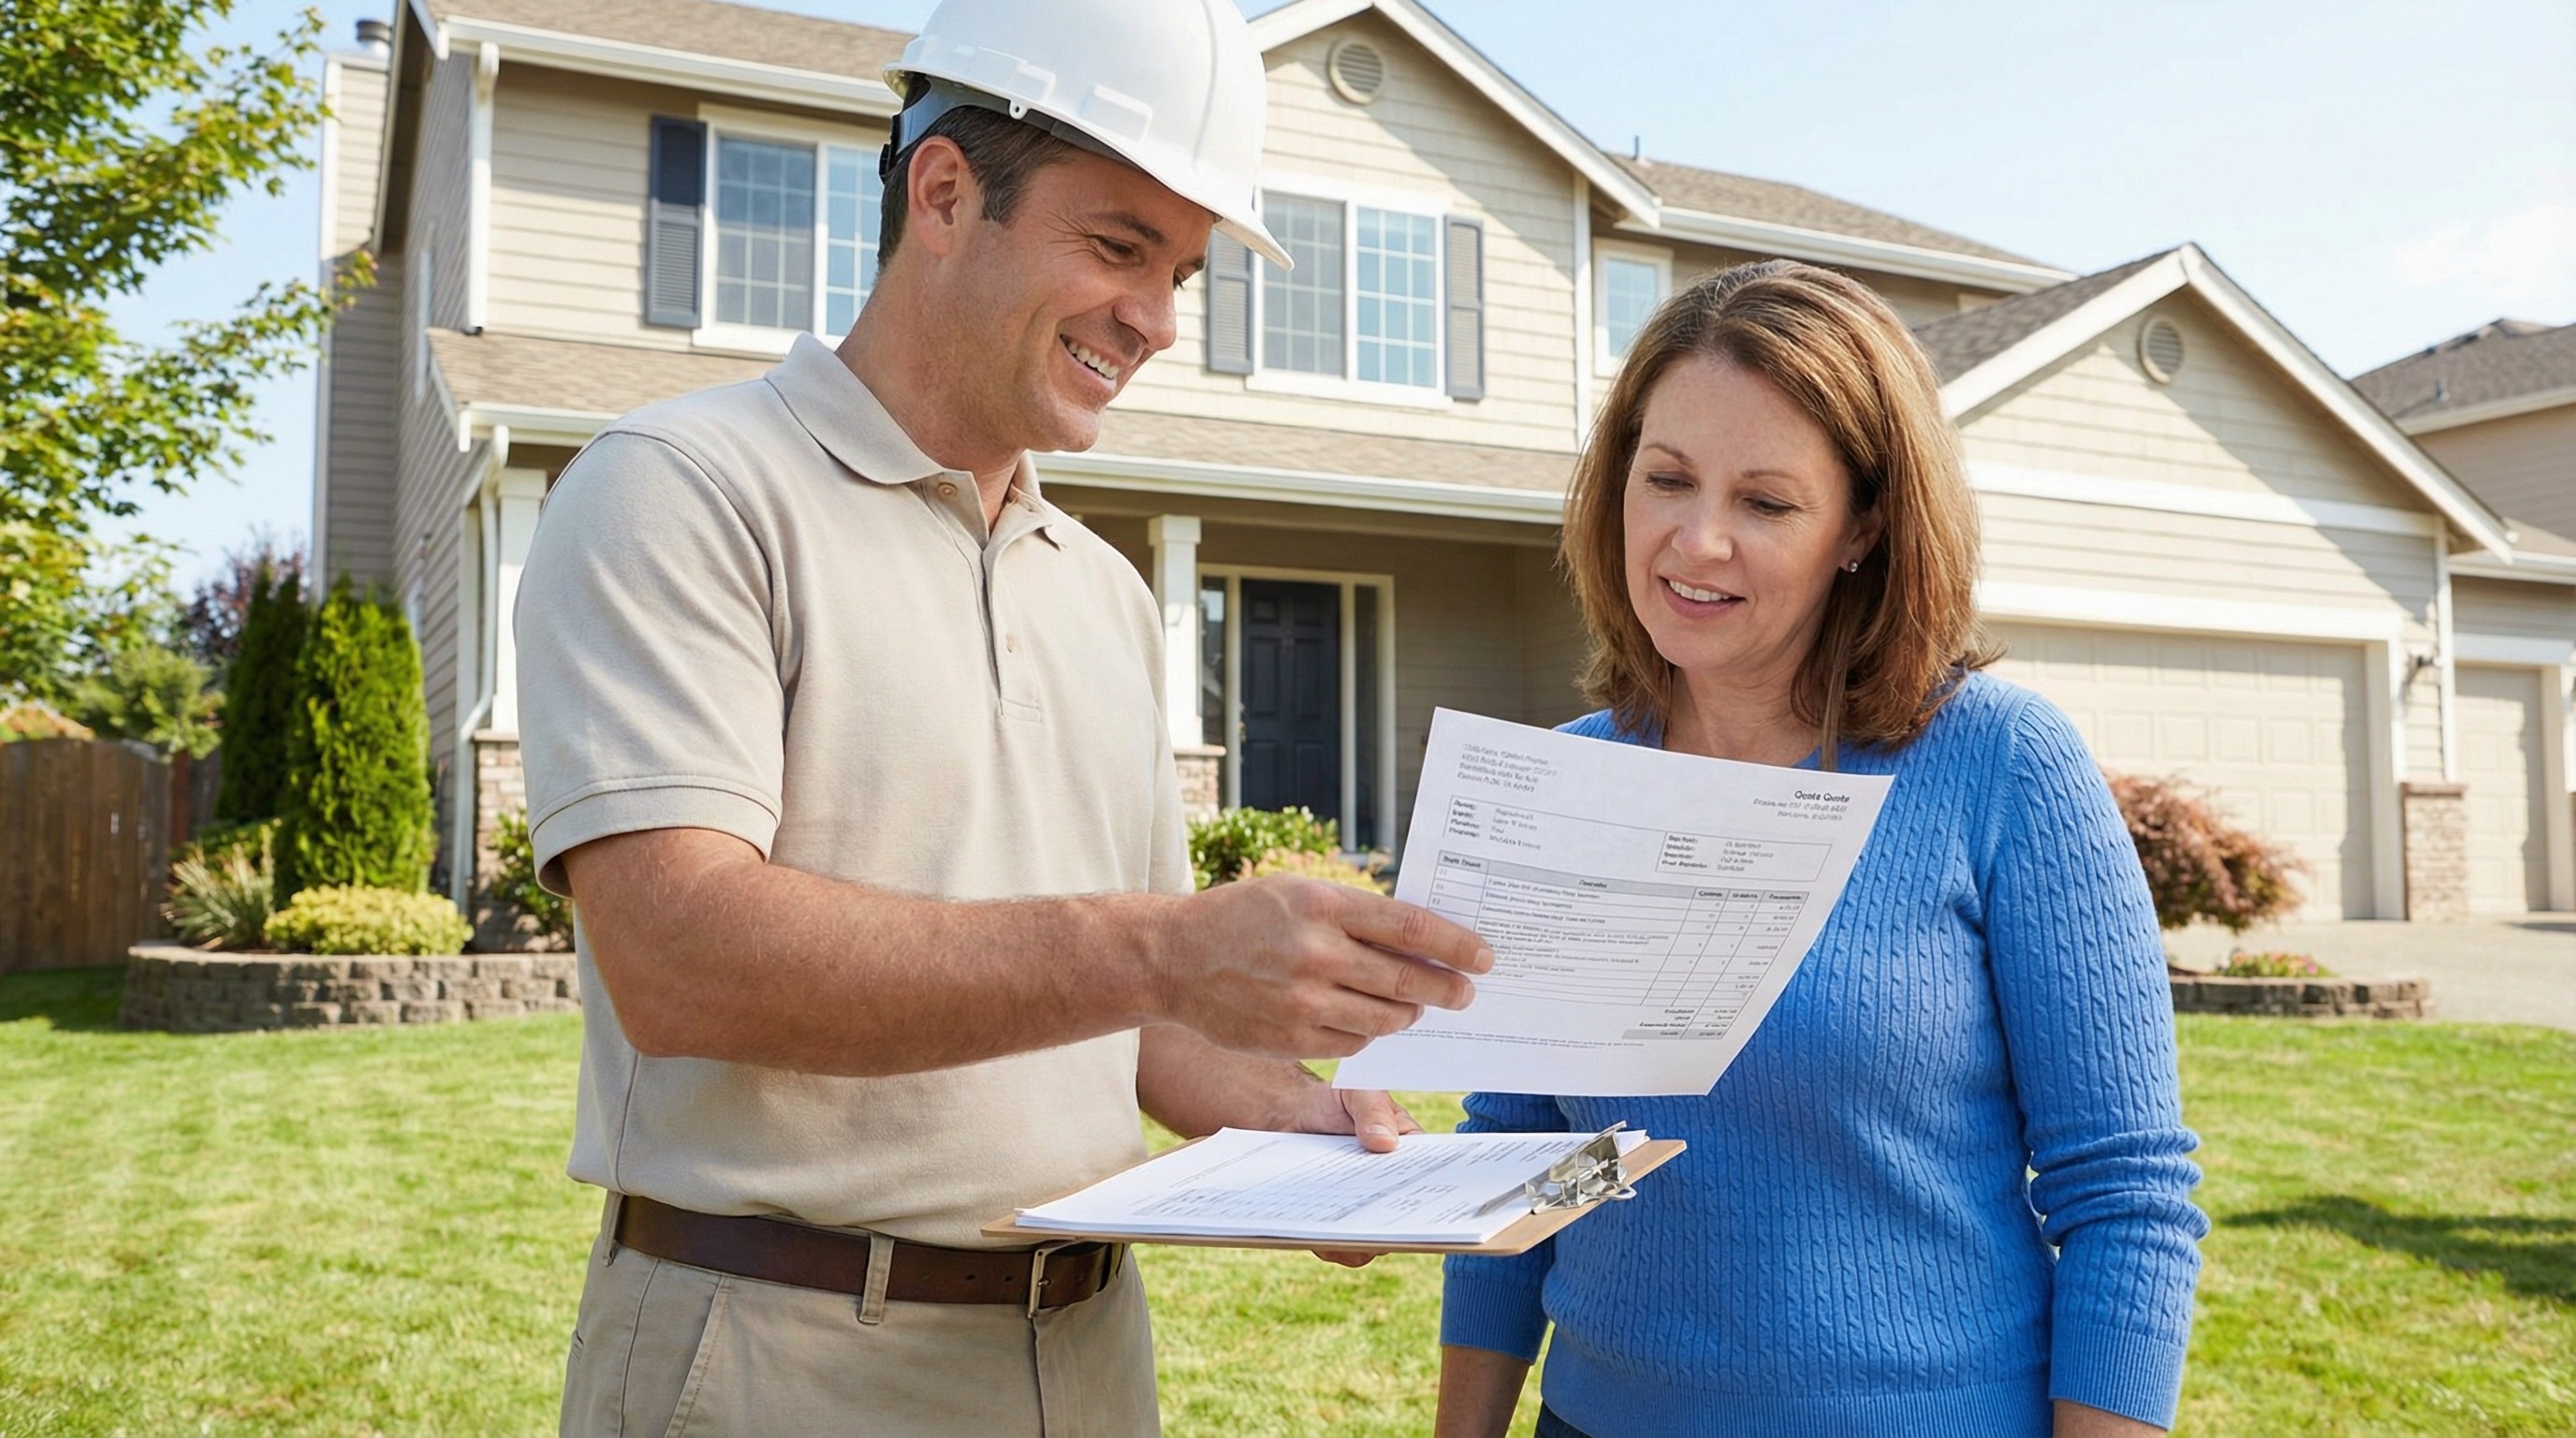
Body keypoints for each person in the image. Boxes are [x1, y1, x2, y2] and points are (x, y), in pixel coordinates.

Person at [515, 1, 1493, 1432]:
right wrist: (1161, 948)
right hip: (777, 1358)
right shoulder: (684, 490)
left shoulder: (1098, 591)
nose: (1156, 321)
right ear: (947, 193)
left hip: (1085, 1358)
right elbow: (677, 958)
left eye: (1180, 272)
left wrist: (1305, 1129)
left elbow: (1134, 1024)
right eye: (1116, 248)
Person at [1432, 260, 2208, 1438]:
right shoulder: (1572, 780)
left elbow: (2126, 1199)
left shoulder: (1999, 766)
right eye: (1668, 479)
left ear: (1863, 528)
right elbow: (1527, 1156)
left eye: (1767, 502)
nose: (1697, 542)